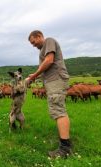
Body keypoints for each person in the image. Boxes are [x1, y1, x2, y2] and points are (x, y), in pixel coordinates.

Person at [25, 30, 72, 158]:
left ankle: (65, 149)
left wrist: (34, 76)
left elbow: (49, 61)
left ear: (39, 36)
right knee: (58, 111)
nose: (33, 45)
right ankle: (64, 141)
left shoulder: (49, 41)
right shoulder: (43, 49)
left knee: (58, 111)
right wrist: (35, 76)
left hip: (56, 80)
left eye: (33, 42)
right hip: (53, 81)